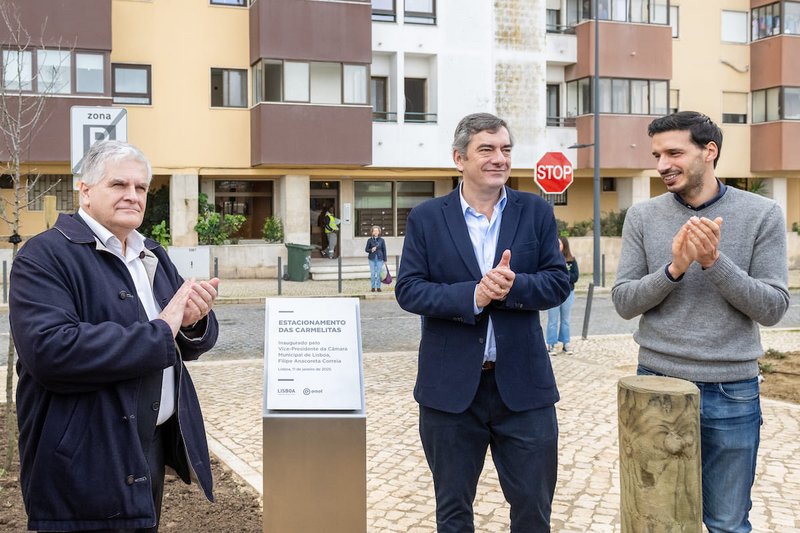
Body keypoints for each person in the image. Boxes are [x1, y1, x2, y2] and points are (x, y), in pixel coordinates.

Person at [9, 140, 220, 533]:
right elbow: (52, 352)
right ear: (84, 191)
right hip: (82, 458)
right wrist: (162, 330)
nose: (133, 195)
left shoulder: (150, 253)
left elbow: (183, 338)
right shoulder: (43, 256)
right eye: (119, 185)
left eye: (141, 188)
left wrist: (192, 321)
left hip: (148, 448)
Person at [612, 111, 790, 533]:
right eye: (657, 155)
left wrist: (713, 262)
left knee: (727, 523)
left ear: (709, 152)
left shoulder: (762, 214)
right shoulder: (642, 216)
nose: (662, 165)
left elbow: (773, 307)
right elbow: (622, 302)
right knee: (655, 519)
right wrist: (673, 270)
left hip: (732, 391)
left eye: (674, 152)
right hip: (655, 383)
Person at [395, 112, 570, 532]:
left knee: (532, 511)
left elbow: (558, 282)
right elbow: (409, 290)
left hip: (524, 390)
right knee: (453, 515)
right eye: (487, 149)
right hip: (450, 393)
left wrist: (513, 287)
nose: (499, 158)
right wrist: (473, 295)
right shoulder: (427, 217)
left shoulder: (535, 212)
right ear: (459, 158)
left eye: (506, 149)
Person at [546, 236, 579, 355]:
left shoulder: (571, 260)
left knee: (565, 320)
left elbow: (575, 277)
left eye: (560, 244)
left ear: (564, 245)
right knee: (552, 320)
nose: (558, 246)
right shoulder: (550, 259)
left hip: (568, 293)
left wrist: (563, 275)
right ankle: (551, 344)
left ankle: (566, 343)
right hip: (553, 293)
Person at [365, 225, 387, 292]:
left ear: (379, 232)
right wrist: (371, 250)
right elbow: (366, 249)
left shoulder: (382, 240)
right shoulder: (369, 240)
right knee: (372, 273)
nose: (376, 232)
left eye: (377, 230)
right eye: (374, 231)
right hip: (371, 259)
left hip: (380, 258)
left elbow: (384, 250)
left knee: (379, 273)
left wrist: (385, 260)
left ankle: (378, 287)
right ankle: (373, 287)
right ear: (372, 232)